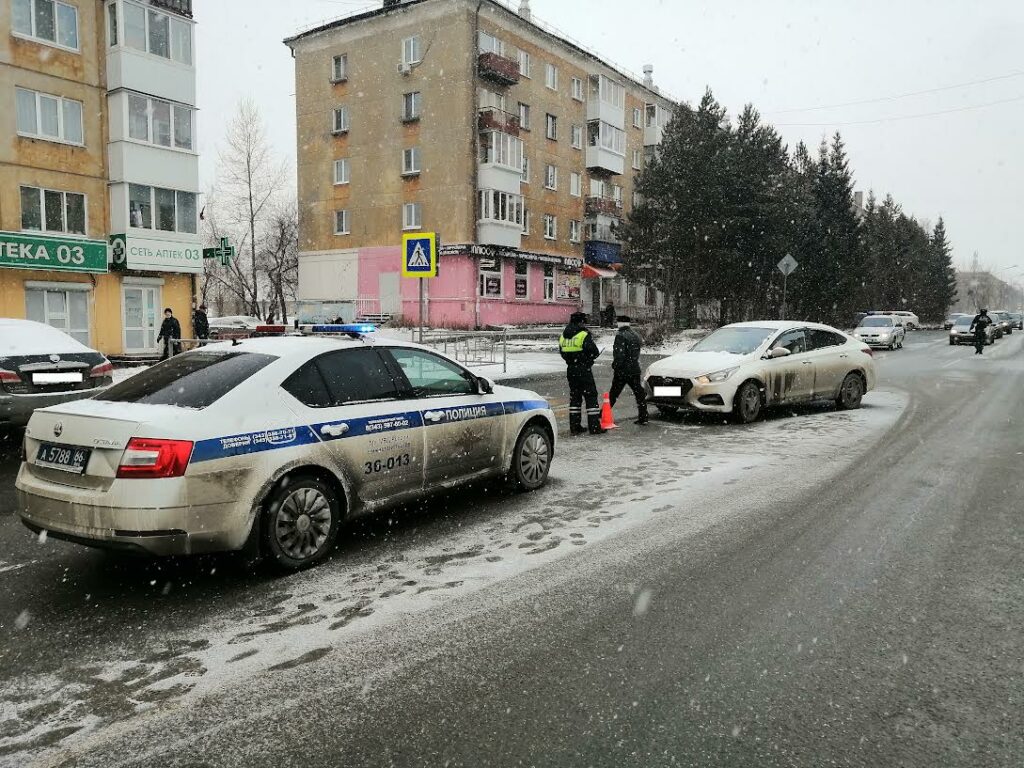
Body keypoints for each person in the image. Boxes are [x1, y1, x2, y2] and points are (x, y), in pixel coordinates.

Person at [559, 312, 604, 435]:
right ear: (581, 322)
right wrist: (586, 360)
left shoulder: (563, 335)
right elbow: (593, 352)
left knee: (575, 397)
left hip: (571, 370)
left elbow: (562, 353)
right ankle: (594, 427)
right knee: (591, 396)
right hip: (583, 370)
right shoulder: (583, 334)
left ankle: (575, 427)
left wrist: (572, 360)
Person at [609, 316, 649, 425]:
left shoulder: (620, 336)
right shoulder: (635, 335)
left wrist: (616, 365)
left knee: (613, 394)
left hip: (623, 371)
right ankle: (643, 416)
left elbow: (619, 355)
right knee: (639, 393)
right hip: (634, 369)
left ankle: (603, 414)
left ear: (620, 323)